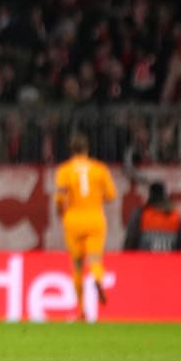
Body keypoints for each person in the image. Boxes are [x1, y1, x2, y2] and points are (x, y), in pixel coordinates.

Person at [52, 132, 118, 318]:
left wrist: (59, 210)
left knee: (77, 265)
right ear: (87, 150)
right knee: (95, 260)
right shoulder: (99, 169)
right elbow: (111, 195)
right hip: (95, 218)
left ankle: (81, 310)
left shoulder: (65, 170)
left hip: (73, 219)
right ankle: (97, 277)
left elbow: (59, 197)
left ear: (71, 151)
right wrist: (97, 196)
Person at [123, 181, 181, 252]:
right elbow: (180, 243)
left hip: (144, 260)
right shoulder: (175, 214)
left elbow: (131, 238)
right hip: (168, 260)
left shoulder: (141, 213)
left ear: (150, 195)